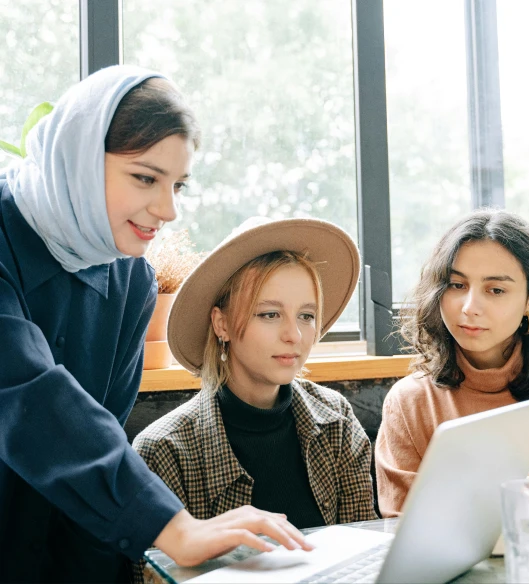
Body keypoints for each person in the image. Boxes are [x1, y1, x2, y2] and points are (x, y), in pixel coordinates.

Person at [0, 66, 310, 583]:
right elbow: (29, 396)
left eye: (179, 185)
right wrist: (176, 528)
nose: (166, 209)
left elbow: (99, 450)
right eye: (145, 177)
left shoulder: (131, 280)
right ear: (78, 159)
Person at [133, 217, 376, 532]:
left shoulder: (337, 420)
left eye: (306, 315)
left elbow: (364, 551)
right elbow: (155, 577)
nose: (294, 335)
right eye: (270, 314)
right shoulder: (163, 451)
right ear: (222, 325)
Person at [375, 210, 529, 516]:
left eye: (495, 290)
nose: (470, 307)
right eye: (457, 285)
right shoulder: (410, 403)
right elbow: (403, 531)